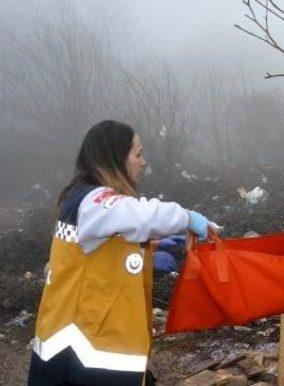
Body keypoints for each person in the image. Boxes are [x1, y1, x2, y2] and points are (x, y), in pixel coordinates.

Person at [28, 120, 214, 386]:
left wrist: (152, 246)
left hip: (80, 344)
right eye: (138, 154)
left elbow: (94, 251)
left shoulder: (81, 199)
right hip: (84, 355)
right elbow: (139, 214)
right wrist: (187, 217)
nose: (143, 162)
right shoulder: (93, 201)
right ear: (114, 158)